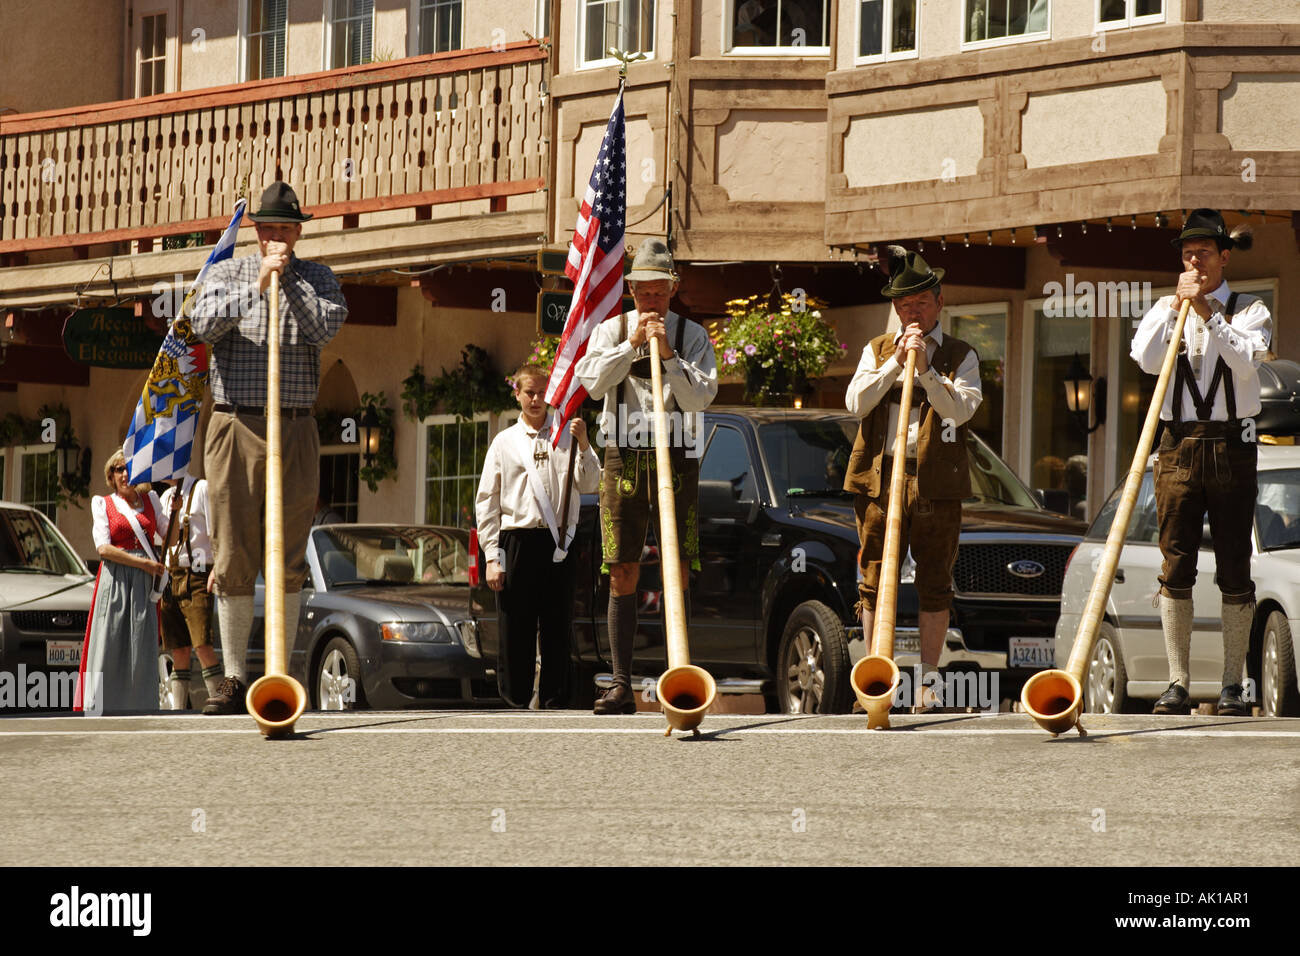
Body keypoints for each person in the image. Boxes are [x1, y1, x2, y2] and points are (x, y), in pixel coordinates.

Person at [190, 181, 348, 714]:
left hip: (295, 426)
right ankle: (235, 677)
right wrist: (258, 282)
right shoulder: (225, 273)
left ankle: (279, 670)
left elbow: (325, 329)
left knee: (289, 552)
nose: (275, 237)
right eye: (267, 229)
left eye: (285, 229)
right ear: (255, 232)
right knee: (233, 551)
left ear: (298, 232)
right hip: (235, 422)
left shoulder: (319, 278)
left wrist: (288, 282)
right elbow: (201, 325)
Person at [1130, 209, 1269, 716]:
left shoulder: (1250, 309)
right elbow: (1146, 360)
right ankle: (1177, 681)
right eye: (1188, 254)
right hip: (1178, 446)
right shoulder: (1165, 308)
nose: (1194, 262)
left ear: (1223, 257)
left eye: (1204, 253)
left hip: (1233, 444)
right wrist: (1175, 309)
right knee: (1176, 562)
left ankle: (1233, 685)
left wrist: (1208, 312)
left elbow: (1246, 361)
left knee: (1234, 562)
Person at [575, 238, 718, 715]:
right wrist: (632, 345)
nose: (650, 300)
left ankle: (682, 675)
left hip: (676, 453)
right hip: (623, 453)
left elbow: (699, 399)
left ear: (672, 289)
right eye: (643, 291)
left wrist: (669, 356)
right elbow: (592, 383)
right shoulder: (611, 330)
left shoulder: (692, 334)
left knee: (678, 565)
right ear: (631, 291)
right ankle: (621, 684)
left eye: (658, 291)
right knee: (621, 566)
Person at [844, 248, 982, 711]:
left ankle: (927, 681)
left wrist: (925, 370)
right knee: (874, 577)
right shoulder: (877, 349)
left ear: (939, 302)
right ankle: (875, 677)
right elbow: (856, 404)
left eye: (921, 303)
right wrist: (895, 365)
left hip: (935, 481)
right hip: (880, 477)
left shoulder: (961, 355)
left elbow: (960, 411)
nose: (913, 313)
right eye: (904, 306)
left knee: (935, 579)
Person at [474, 364, 601, 707]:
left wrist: (584, 443)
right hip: (517, 539)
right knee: (515, 625)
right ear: (516, 394)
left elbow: (590, 483)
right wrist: (491, 557)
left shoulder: (566, 435)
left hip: (558, 542)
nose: (535, 399)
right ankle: (514, 700)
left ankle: (554, 700)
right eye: (529, 392)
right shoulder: (504, 443)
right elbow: (487, 502)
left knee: (558, 623)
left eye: (542, 392)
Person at [75, 450, 166, 714]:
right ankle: (101, 706)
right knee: (110, 640)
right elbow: (104, 549)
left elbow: (168, 537)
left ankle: (140, 707)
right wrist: (144, 564)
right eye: (118, 469)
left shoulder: (151, 500)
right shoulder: (103, 503)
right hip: (116, 581)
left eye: (129, 468)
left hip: (144, 584)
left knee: (141, 644)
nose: (125, 474)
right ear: (111, 476)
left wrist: (175, 512)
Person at [157, 475, 224, 710]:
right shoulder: (165, 497)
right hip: (171, 576)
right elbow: (162, 539)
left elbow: (217, 530)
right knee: (178, 648)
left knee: (202, 644)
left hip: (198, 574)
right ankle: (177, 710)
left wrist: (217, 567)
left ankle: (221, 700)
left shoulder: (201, 488)